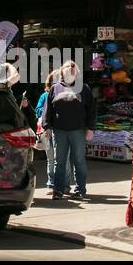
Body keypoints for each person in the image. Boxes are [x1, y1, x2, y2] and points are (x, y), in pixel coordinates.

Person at [42, 61, 96, 200]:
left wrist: (90, 128)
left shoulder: (84, 88)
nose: (71, 69)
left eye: (73, 67)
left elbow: (91, 110)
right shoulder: (55, 88)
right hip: (59, 131)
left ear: (77, 72)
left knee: (79, 161)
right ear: (62, 72)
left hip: (78, 130)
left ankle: (80, 190)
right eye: (67, 67)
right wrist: (46, 127)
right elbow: (47, 110)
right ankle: (59, 190)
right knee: (59, 162)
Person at [35, 70, 59, 191]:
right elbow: (37, 110)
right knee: (51, 159)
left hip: (60, 130)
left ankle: (62, 184)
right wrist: (47, 110)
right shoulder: (44, 96)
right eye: (54, 80)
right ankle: (51, 183)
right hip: (47, 130)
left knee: (61, 159)